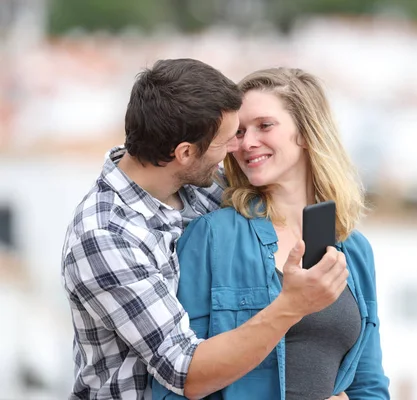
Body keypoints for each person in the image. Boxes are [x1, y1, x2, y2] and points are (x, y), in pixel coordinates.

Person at [61, 59, 349, 399]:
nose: (236, 148)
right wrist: (292, 305)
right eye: (227, 140)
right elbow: (184, 369)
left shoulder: (202, 185)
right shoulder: (106, 236)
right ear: (184, 152)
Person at [151, 67, 390, 399]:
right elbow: (175, 385)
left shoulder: (354, 250)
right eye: (240, 131)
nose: (247, 143)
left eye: (264, 126)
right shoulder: (213, 237)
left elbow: (369, 382)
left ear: (306, 132)